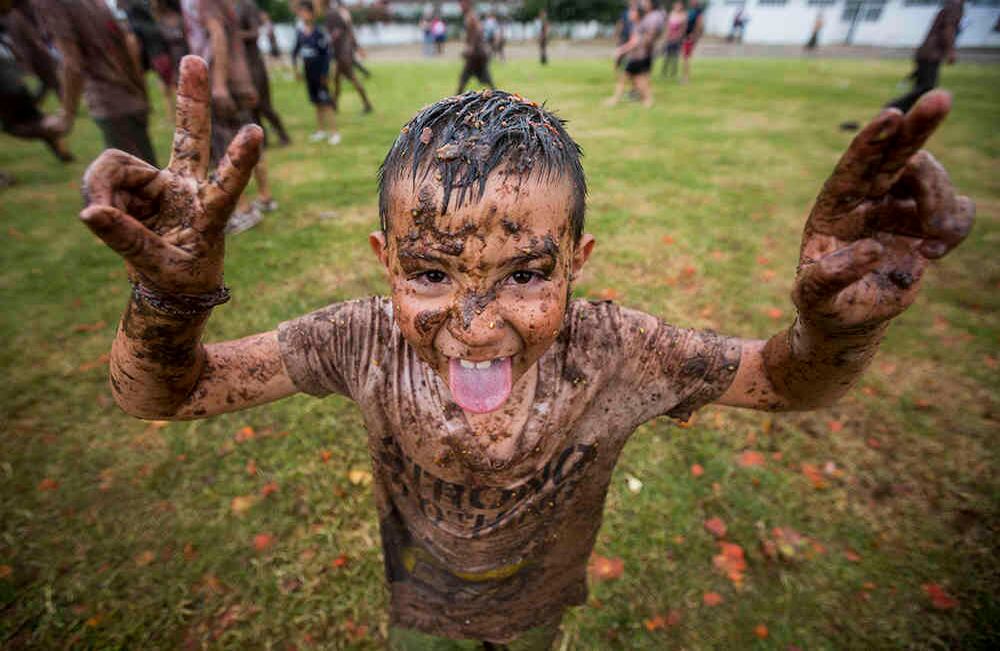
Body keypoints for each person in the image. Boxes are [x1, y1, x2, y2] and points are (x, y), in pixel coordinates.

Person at [80, 57, 974, 646]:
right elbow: (164, 394)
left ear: (577, 264)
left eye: (524, 274)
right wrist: (170, 299)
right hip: (418, 608)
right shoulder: (357, 340)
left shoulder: (620, 351)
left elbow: (783, 383)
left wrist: (838, 329)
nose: (474, 322)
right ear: (384, 260)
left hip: (537, 607)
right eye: (430, 271)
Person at [182, 0, 271, 234]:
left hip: (224, 84)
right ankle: (265, 197)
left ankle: (243, 210)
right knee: (250, 143)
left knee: (227, 151)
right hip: (239, 79)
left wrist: (219, 84)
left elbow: (218, 35)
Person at [32, 0, 156, 165]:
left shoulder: (50, 4)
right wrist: (141, 91)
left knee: (139, 181)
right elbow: (130, 44)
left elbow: (72, 64)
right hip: (130, 98)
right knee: (147, 176)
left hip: (111, 103)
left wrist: (66, 115)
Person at [0, 1, 71, 163]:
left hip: (7, 84)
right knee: (32, 117)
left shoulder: (13, 18)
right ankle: (55, 136)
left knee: (14, 125)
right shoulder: (14, 17)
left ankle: (54, 129)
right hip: (13, 80)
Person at [887, 0, 963, 114]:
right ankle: (894, 107)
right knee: (927, 87)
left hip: (927, 52)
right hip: (931, 54)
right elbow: (948, 29)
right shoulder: (955, 6)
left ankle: (902, 111)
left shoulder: (950, 5)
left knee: (923, 86)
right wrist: (950, 51)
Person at [237, 0, 290, 150]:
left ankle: (283, 134)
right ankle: (262, 140)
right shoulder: (228, 6)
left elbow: (255, 33)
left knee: (263, 105)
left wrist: (234, 35)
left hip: (254, 64)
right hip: (242, 67)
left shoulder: (247, 6)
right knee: (250, 108)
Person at [292, 0, 338, 145]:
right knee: (316, 102)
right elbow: (295, 51)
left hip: (320, 74)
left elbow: (327, 55)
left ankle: (334, 133)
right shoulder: (299, 33)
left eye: (305, 12)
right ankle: (320, 131)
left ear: (312, 14)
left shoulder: (319, 32)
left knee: (326, 102)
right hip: (308, 73)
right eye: (301, 12)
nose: (303, 15)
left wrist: (325, 74)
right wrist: (296, 70)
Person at [606, 0, 664, 108]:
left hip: (638, 58)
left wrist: (621, 50)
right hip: (635, 57)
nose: (629, 13)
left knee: (636, 81)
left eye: (632, 11)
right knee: (637, 80)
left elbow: (635, 42)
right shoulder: (636, 25)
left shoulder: (639, 25)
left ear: (638, 14)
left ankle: (646, 100)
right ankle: (645, 100)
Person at [2, 0, 59, 103]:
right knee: (51, 80)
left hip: (32, 52)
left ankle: (34, 103)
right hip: (34, 53)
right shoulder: (14, 17)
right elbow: (32, 38)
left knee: (50, 80)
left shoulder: (14, 16)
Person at [325, 0, 373, 113]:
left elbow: (334, 34)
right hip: (345, 53)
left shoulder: (332, 14)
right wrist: (357, 48)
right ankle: (334, 104)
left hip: (341, 54)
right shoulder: (344, 14)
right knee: (337, 79)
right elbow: (350, 33)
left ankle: (367, 104)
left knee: (352, 79)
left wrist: (326, 45)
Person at [456, 0, 493, 94]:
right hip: (478, 54)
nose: (460, 6)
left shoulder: (471, 16)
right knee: (484, 78)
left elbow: (478, 31)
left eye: (462, 3)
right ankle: (496, 93)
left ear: (468, 3)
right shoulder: (470, 16)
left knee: (464, 78)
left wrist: (471, 47)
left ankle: (455, 101)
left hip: (476, 54)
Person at [682, 0, 706, 84]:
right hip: (686, 37)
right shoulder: (690, 10)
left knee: (686, 58)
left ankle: (686, 78)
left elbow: (699, 25)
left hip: (690, 37)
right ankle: (685, 77)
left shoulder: (698, 11)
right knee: (685, 58)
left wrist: (694, 36)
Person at [661, 1, 686, 78]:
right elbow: (667, 26)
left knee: (675, 56)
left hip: (677, 39)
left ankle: (673, 73)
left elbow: (683, 29)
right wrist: (666, 36)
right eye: (677, 5)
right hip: (669, 38)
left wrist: (678, 37)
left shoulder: (683, 15)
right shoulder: (671, 14)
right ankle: (664, 72)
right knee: (667, 56)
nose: (678, 7)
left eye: (679, 6)